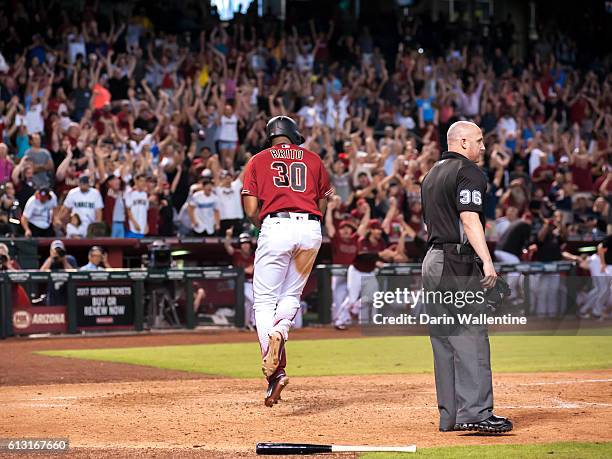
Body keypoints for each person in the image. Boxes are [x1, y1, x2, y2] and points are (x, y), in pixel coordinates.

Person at [421, 121, 513, 433]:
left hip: (432, 259)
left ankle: (452, 416)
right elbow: (469, 218)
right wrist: (487, 262)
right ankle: (476, 413)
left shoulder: (431, 174)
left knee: (445, 341)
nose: (483, 147)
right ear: (462, 142)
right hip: (455, 262)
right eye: (479, 140)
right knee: (471, 335)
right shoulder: (468, 171)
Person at [241, 115, 333, 407]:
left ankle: (275, 370)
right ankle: (282, 329)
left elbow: (251, 208)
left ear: (270, 138)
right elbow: (322, 203)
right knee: (291, 294)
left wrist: (265, 223)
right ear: (294, 136)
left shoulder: (257, 160)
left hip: (276, 225)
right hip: (310, 229)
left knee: (264, 301)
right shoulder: (313, 159)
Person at [224, 228, 256, 330]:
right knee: (252, 300)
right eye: (243, 243)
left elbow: (251, 270)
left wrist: (241, 270)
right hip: (241, 283)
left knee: (248, 303)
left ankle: (247, 324)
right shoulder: (237, 254)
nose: (245, 245)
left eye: (247, 243)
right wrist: (228, 236)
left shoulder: (254, 255)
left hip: (253, 283)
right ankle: (252, 323)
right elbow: (227, 246)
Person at [40, 240, 78, 306]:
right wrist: (52, 257)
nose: (58, 253)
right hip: (53, 294)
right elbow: (41, 273)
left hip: (67, 292)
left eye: (60, 251)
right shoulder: (50, 260)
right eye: (56, 251)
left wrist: (64, 260)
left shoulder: (70, 259)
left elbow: (74, 274)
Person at [125, 174, 149, 238]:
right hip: (132, 227)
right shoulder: (130, 193)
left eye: (144, 181)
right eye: (141, 181)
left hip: (142, 228)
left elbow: (145, 211)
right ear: (136, 182)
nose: (143, 183)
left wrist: (146, 224)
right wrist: (135, 223)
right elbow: (128, 211)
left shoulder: (145, 195)